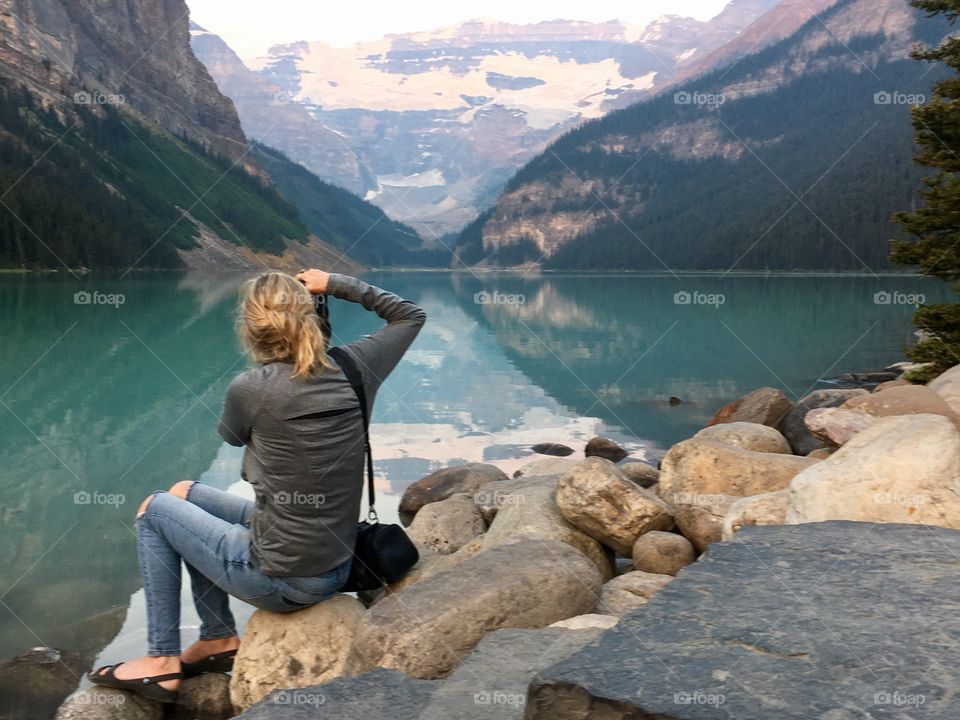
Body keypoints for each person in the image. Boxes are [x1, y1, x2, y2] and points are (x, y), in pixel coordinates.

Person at [88, 269, 426, 702]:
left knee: (155, 511)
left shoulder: (250, 388)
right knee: (183, 493)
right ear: (311, 316)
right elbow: (409, 316)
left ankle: (160, 661)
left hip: (283, 579)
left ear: (251, 328)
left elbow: (232, 434)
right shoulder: (357, 367)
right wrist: (335, 283)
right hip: (335, 561)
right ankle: (217, 638)